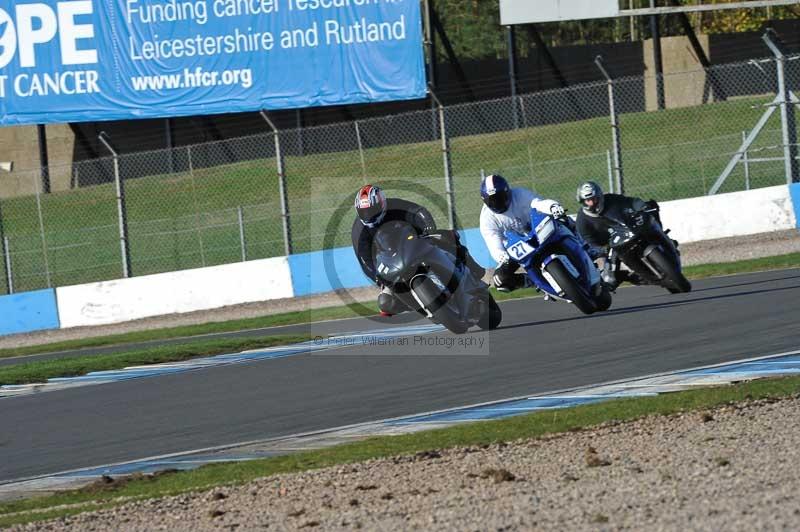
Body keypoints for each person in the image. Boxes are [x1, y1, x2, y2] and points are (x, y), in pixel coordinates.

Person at [352, 184, 485, 316]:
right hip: (391, 263)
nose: (368, 215)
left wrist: (428, 228)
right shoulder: (359, 231)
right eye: (364, 212)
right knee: (386, 302)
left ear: (382, 204)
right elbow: (365, 260)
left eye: (372, 210)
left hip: (415, 242)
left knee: (447, 237)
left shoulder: (394, 205)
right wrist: (378, 278)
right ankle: (423, 308)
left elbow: (418, 211)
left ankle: (473, 269)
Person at [575, 181, 678, 289]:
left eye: (594, 199)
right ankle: (640, 277)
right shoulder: (582, 220)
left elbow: (630, 202)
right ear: (582, 202)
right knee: (610, 278)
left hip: (630, 227)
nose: (591, 203)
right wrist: (601, 249)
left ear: (600, 196)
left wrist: (642, 206)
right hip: (613, 244)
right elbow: (588, 240)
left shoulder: (611, 199)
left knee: (651, 215)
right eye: (588, 200)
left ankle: (667, 241)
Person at [478, 174, 567, 292]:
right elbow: (493, 241)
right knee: (500, 280)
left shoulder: (519, 194)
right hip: (517, 248)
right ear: (485, 201)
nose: (497, 203)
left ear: (508, 192)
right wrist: (501, 256)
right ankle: (533, 281)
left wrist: (552, 207)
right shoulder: (486, 218)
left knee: (562, 220)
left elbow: (538, 203)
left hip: (538, 232)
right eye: (492, 201)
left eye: (500, 198)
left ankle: (583, 244)